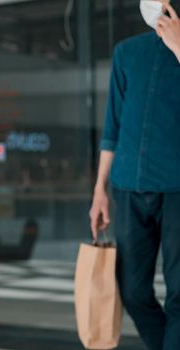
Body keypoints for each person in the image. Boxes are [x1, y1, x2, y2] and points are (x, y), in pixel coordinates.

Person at [89, 1, 180, 349]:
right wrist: (100, 190)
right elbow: (112, 126)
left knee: (179, 295)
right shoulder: (127, 52)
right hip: (127, 186)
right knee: (133, 291)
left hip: (176, 189)